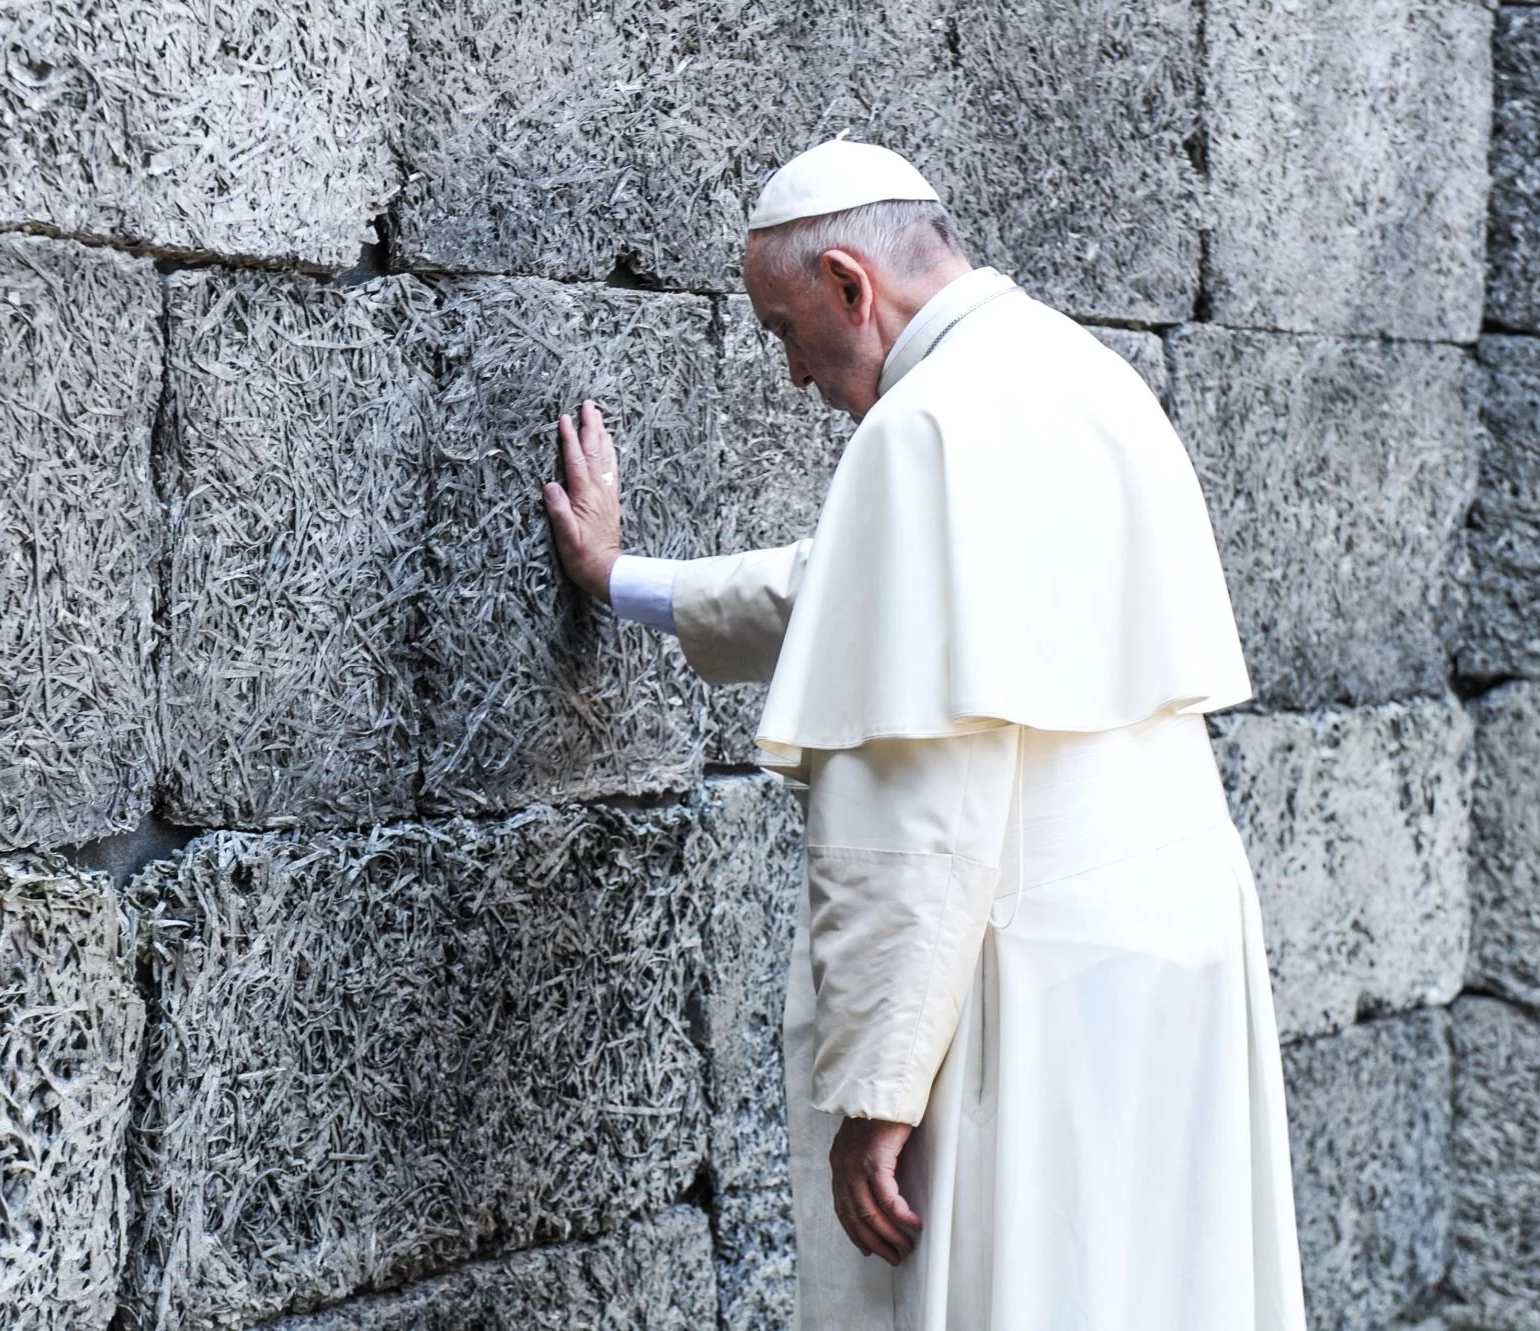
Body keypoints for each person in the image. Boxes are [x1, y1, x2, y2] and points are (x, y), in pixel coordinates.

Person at [541, 139, 1308, 1331]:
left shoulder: (922, 428)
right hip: (1176, 945)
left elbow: (918, 804)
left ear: (851, 283)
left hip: (1028, 972)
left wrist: (878, 1085)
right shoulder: (1079, 372)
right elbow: (855, 592)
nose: (794, 375)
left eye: (786, 330)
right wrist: (621, 577)